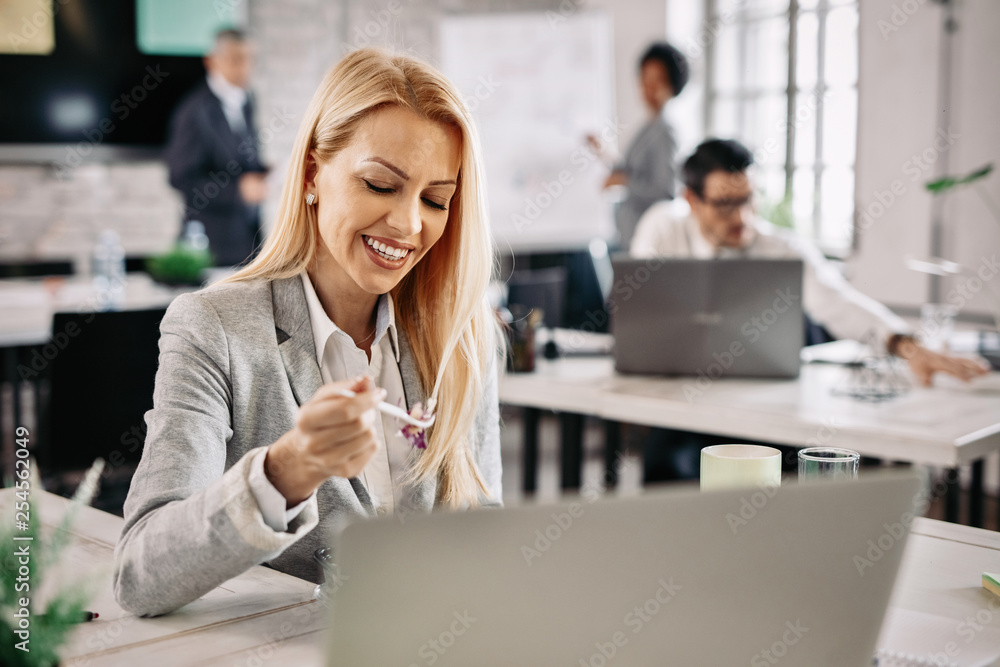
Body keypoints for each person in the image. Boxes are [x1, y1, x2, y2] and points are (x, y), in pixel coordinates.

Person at [114, 48, 503, 617]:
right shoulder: (214, 330)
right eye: (379, 185)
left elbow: (484, 533)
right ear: (313, 173)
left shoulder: (461, 339)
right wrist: (286, 470)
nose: (410, 224)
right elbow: (141, 575)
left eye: (436, 199)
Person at [632, 138, 989, 386]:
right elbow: (643, 310)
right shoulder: (663, 227)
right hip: (678, 386)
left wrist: (909, 348)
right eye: (726, 204)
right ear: (691, 200)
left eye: (748, 200)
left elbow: (838, 302)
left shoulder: (780, 248)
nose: (741, 217)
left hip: (760, 397)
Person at [164, 28, 269, 266]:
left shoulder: (247, 102)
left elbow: (238, 160)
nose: (245, 68)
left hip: (248, 240)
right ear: (211, 61)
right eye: (236, 59)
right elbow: (180, 179)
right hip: (210, 248)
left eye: (249, 59)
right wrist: (238, 191)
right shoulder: (193, 112)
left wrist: (262, 171)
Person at [589, 42, 688, 250]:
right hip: (629, 235)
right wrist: (607, 155)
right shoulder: (649, 126)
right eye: (644, 79)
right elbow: (635, 171)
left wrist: (624, 181)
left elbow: (665, 191)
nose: (648, 88)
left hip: (647, 241)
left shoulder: (665, 132)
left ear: (672, 85)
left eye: (657, 81)